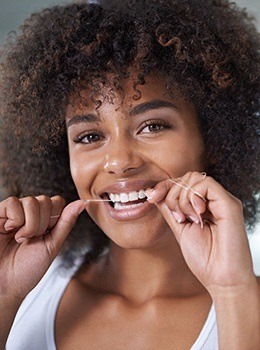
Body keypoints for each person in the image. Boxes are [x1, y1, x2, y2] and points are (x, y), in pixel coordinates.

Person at [0, 0, 259, 349]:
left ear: (213, 139)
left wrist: (232, 292)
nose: (119, 161)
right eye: (89, 136)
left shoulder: (245, 301)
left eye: (152, 126)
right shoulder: (24, 292)